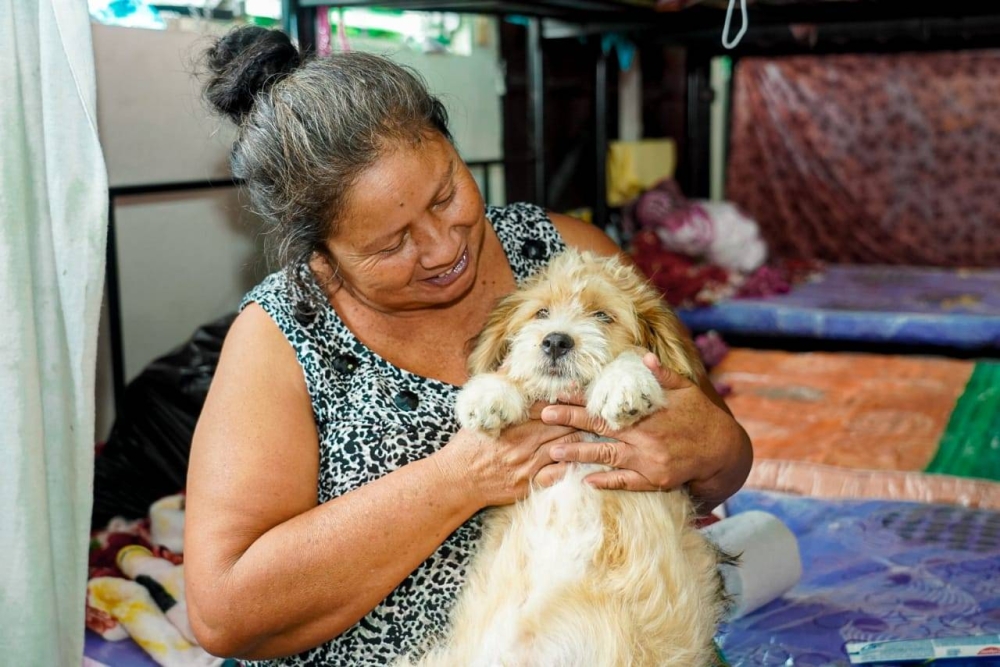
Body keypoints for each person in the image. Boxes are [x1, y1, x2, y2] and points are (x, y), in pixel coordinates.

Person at [185, 25, 753, 667]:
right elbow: (223, 614)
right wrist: (461, 479)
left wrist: (710, 444)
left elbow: (723, 460)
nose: (442, 247)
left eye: (446, 194)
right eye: (392, 243)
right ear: (321, 249)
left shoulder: (566, 255)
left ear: (453, 147)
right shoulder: (279, 335)